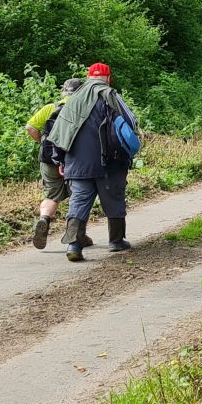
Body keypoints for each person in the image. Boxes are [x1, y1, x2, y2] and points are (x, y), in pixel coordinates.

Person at [46, 62, 140, 262]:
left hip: (77, 163)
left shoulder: (73, 99)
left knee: (79, 202)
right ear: (108, 78)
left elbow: (59, 131)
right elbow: (131, 122)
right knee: (114, 200)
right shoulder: (110, 95)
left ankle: (74, 245)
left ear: (88, 77)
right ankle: (116, 241)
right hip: (110, 163)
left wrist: (60, 160)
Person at [24, 77, 92, 251]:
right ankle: (77, 235)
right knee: (79, 197)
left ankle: (44, 219)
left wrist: (42, 142)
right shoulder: (83, 109)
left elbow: (30, 127)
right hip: (75, 159)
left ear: (63, 92)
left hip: (49, 159)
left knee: (51, 195)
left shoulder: (51, 108)